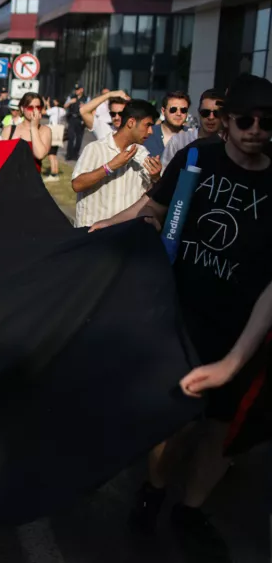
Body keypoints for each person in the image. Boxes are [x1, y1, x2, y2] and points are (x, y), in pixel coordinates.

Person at [123, 75, 272, 559]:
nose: (255, 130)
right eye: (244, 120)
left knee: (221, 430)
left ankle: (191, 509)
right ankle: (154, 489)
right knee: (179, 421)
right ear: (226, 123)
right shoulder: (196, 159)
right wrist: (105, 227)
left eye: (266, 123)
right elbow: (153, 208)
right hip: (183, 314)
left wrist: (238, 356)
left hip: (245, 327)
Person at [70, 99, 161, 228]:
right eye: (147, 125)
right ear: (131, 123)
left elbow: (147, 197)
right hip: (94, 234)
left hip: (124, 236)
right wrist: (110, 166)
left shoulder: (142, 153)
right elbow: (77, 185)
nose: (151, 131)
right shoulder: (96, 149)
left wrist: (156, 178)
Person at [161, 89, 225, 169]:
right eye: (205, 112)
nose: (211, 117)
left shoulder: (230, 144)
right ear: (199, 112)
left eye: (217, 113)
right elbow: (165, 175)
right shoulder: (179, 141)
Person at [3, 92, 51, 172]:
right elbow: (1, 158)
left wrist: (34, 127)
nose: (34, 111)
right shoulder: (9, 129)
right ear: (22, 108)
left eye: (38, 107)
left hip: (32, 180)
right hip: (10, 178)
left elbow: (39, 155)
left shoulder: (45, 130)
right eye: (30, 107)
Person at [143, 91, 191, 157]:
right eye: (173, 109)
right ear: (163, 111)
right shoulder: (147, 134)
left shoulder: (192, 137)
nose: (178, 114)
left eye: (183, 110)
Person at [64, 82, 87, 160]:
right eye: (76, 89)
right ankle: (69, 154)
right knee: (70, 137)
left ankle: (75, 154)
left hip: (81, 119)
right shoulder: (71, 97)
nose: (76, 91)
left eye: (78, 89)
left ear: (82, 90)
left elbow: (90, 108)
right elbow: (65, 106)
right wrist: (70, 102)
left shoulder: (86, 98)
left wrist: (84, 106)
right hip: (72, 118)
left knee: (79, 138)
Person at [45, 98, 67, 181]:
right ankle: (55, 172)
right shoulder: (62, 111)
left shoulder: (54, 109)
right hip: (59, 132)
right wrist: (48, 104)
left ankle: (53, 174)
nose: (54, 101)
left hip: (53, 132)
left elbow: (45, 112)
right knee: (54, 154)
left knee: (51, 154)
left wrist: (45, 104)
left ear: (57, 102)